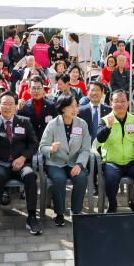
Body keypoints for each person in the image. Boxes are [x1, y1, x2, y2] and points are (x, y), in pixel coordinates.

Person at [0, 91, 42, 236]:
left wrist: (22, 158)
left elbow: (34, 144)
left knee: (30, 176)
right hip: (0, 163)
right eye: (4, 104)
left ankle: (32, 216)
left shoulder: (24, 121)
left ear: (16, 106)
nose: (7, 107)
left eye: (11, 104)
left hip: (20, 163)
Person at [96, 90, 134, 212]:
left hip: (132, 161)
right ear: (111, 103)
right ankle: (112, 204)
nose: (120, 104)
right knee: (111, 178)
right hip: (112, 161)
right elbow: (99, 139)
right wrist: (108, 128)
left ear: (128, 103)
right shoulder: (104, 120)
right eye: (116, 101)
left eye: (123, 101)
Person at [40, 95, 91, 224]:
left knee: (81, 178)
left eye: (76, 106)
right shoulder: (53, 124)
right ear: (62, 108)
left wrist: (79, 164)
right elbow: (42, 146)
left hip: (74, 162)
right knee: (59, 179)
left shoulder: (82, 124)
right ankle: (60, 213)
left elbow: (85, 149)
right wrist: (50, 149)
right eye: (71, 106)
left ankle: (76, 211)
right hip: (56, 162)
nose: (75, 109)